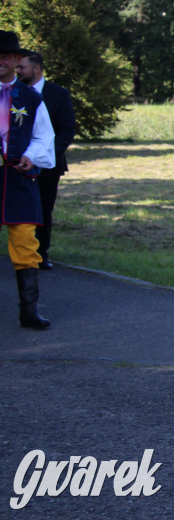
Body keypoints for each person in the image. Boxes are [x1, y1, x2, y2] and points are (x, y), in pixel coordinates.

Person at [0, 30, 56, 329]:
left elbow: (44, 137)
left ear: (16, 60)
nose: (1, 62)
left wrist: (31, 156)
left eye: (6, 57)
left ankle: (29, 311)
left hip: (18, 180)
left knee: (25, 244)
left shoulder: (31, 98)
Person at [17, 50, 76, 270]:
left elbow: (67, 129)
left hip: (48, 166)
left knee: (43, 210)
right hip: (16, 164)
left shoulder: (58, 94)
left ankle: (41, 254)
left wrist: (45, 155)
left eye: (22, 67)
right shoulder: (14, 92)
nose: (18, 71)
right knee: (18, 210)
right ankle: (21, 253)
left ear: (36, 69)